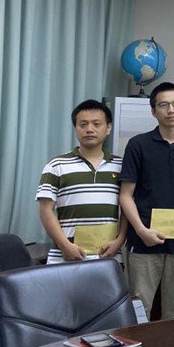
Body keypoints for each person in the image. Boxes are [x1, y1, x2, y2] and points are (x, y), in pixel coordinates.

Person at [119, 82, 174, 320]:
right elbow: (125, 195)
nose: (171, 110)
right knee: (139, 307)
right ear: (153, 110)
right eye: (164, 105)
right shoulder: (138, 145)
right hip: (144, 242)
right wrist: (141, 230)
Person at [37, 99, 127, 264]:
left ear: (108, 128)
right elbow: (45, 210)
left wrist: (120, 241)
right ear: (76, 129)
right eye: (83, 124)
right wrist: (65, 245)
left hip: (108, 256)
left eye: (96, 124)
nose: (89, 129)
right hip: (65, 256)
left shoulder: (121, 166)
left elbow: (128, 208)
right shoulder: (56, 165)